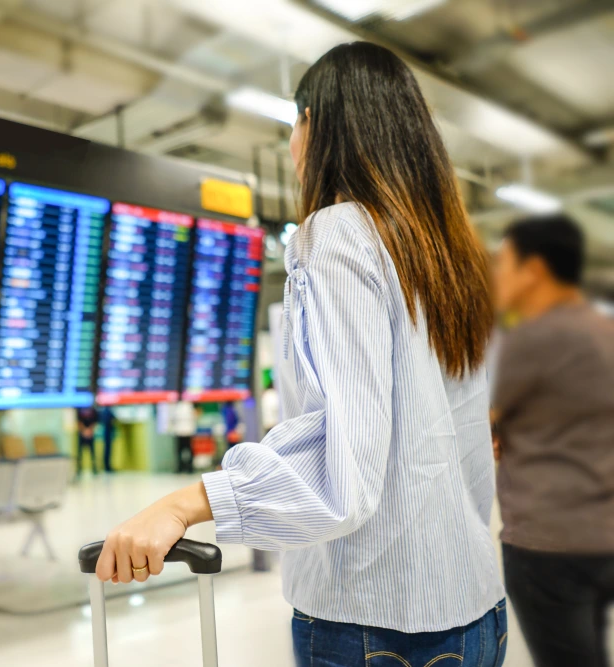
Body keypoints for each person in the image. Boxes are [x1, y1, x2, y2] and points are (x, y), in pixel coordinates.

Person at [94, 42, 507, 666]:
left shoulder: (340, 233)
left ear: (317, 124)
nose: (291, 146)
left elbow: (346, 469)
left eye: (294, 123)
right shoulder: (454, 255)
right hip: (475, 612)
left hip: (377, 627)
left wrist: (184, 504)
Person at [491, 214, 614, 667]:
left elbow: (486, 427)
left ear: (534, 270)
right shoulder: (605, 331)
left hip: (547, 545)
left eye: (504, 263)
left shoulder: (529, 339)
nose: (497, 276)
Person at [171, 401, 197, 474]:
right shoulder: (176, 405)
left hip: (188, 432)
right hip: (179, 432)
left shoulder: (189, 404)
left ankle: (190, 467)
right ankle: (180, 467)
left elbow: (194, 416)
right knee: (179, 451)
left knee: (189, 450)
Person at [75, 406, 99, 475]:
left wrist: (89, 430)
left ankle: (94, 468)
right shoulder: (79, 408)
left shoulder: (93, 409)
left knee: (92, 452)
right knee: (80, 453)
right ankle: (79, 468)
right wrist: (84, 431)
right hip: (81, 433)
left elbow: (95, 421)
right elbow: (78, 421)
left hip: (90, 434)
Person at [99, 406, 116, 473]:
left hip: (106, 432)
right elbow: (114, 419)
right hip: (108, 433)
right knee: (107, 450)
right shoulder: (108, 411)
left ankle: (106, 466)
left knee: (106, 450)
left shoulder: (103, 411)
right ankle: (107, 466)